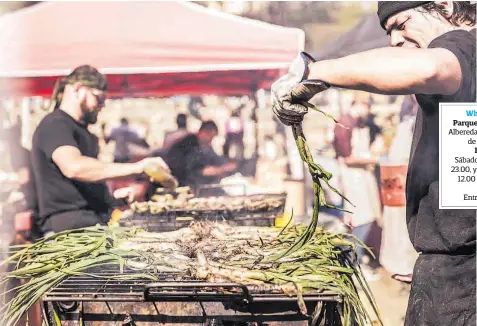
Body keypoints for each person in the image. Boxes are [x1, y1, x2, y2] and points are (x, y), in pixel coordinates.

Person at [271, 2, 475, 325]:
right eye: (387, 31)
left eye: (401, 24)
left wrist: (315, 72)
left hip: (461, 288)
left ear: (445, 6)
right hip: (454, 275)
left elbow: (429, 68)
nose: (393, 40)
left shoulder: (462, 47)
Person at [31, 65, 170, 234]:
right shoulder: (55, 125)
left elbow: (81, 186)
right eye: (99, 97)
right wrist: (139, 167)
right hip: (68, 232)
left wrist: (112, 200)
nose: (102, 105)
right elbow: (74, 167)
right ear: (78, 89)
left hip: (91, 225)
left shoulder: (82, 131)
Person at [161, 120, 237, 194]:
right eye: (211, 137)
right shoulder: (190, 143)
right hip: (179, 184)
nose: (210, 141)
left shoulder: (200, 144)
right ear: (204, 132)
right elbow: (200, 171)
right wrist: (224, 169)